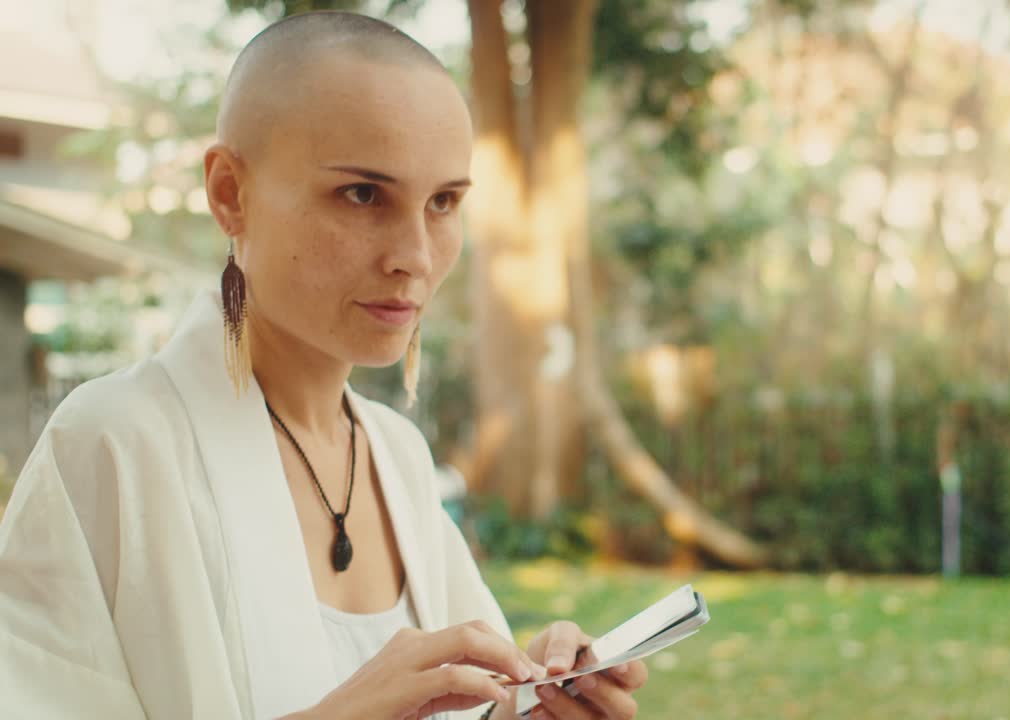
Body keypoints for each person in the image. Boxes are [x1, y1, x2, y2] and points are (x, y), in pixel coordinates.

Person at [0, 11, 647, 720]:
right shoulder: (114, 443)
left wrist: (529, 705)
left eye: (443, 202)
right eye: (364, 194)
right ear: (229, 193)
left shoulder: (397, 457)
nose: (416, 255)